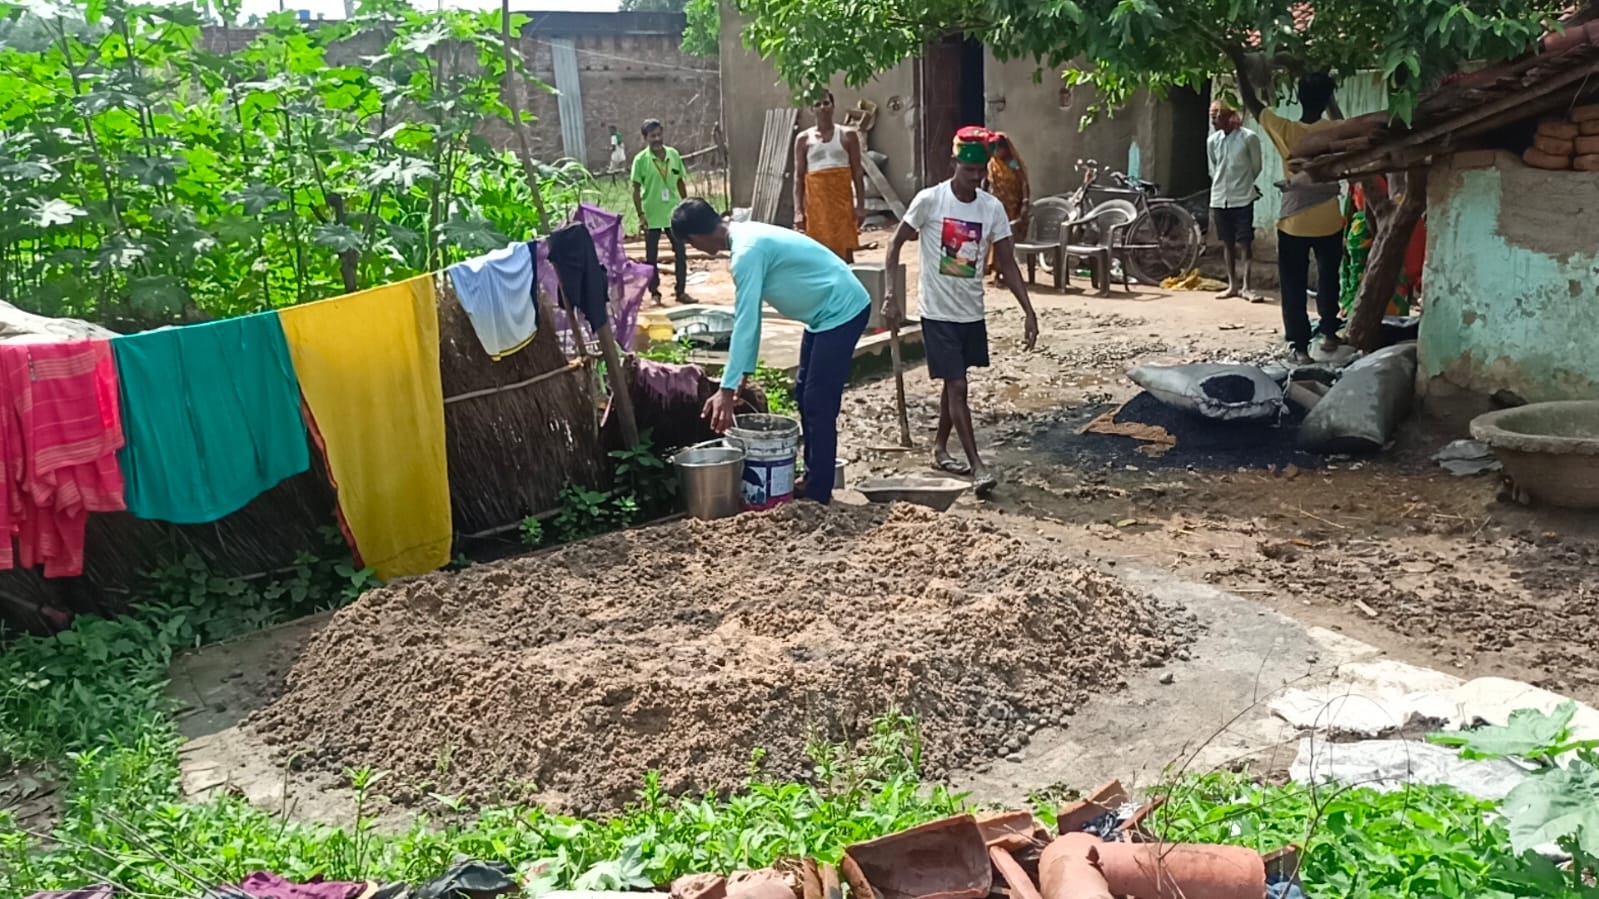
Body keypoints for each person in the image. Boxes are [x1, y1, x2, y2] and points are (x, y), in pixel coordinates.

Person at [671, 198, 870, 506]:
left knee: (819, 400)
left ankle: (819, 492)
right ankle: (815, 477)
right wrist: (739, 376)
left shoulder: (746, 253)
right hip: (822, 315)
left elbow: (747, 319)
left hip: (841, 310)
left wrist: (727, 387)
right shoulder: (745, 237)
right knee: (805, 394)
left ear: (694, 239)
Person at [884, 126, 1038, 497]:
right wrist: (891, 295)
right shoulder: (930, 201)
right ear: (954, 163)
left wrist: (1028, 311)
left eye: (981, 170)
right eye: (969, 170)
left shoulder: (992, 209)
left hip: (971, 312)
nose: (977, 177)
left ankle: (939, 448)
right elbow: (893, 245)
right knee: (957, 385)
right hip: (936, 312)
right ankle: (978, 465)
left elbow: (1008, 261)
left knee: (954, 383)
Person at [1236, 71, 1345, 365]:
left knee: (1293, 285)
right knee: (1329, 278)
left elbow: (1251, 102)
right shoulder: (1337, 131)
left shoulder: (1285, 129)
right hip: (1329, 219)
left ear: (1298, 98)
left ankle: (1299, 347)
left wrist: (1238, 63)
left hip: (1294, 221)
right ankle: (1330, 333)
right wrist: (1330, 101)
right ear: (1327, 100)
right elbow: (1341, 121)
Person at [793, 91, 866, 262]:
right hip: (816, 207)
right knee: (817, 254)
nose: (822, 108)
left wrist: (861, 206)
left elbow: (857, 172)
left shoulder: (848, 135)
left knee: (846, 254)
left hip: (842, 206)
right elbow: (798, 177)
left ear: (833, 106)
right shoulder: (803, 139)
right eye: (817, 105)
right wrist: (798, 211)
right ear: (812, 110)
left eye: (826, 103)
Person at [1205, 101, 1263, 300]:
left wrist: (1245, 184)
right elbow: (1213, 168)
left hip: (1243, 197)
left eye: (1217, 116)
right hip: (1220, 198)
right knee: (1227, 242)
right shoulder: (1213, 141)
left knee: (1245, 242)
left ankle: (1247, 287)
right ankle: (1232, 286)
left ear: (1230, 117)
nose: (1213, 121)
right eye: (1212, 116)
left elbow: (1256, 166)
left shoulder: (1248, 138)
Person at [630, 119, 690, 305]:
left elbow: (680, 181)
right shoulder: (640, 160)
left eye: (658, 134)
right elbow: (635, 189)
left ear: (662, 133)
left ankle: (681, 292)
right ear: (645, 138)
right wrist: (641, 215)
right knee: (651, 256)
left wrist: (685, 205)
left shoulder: (673, 154)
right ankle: (655, 293)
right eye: (652, 136)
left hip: (673, 213)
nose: (656, 139)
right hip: (652, 214)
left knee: (680, 252)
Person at [984, 132, 1031, 286]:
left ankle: (1003, 272)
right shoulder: (992, 164)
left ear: (1006, 149)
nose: (997, 152)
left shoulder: (1013, 163)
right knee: (993, 240)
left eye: (999, 149)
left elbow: (1023, 182)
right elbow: (985, 184)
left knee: (1005, 241)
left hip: (1012, 208)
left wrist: (1024, 203)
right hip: (995, 207)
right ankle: (995, 272)